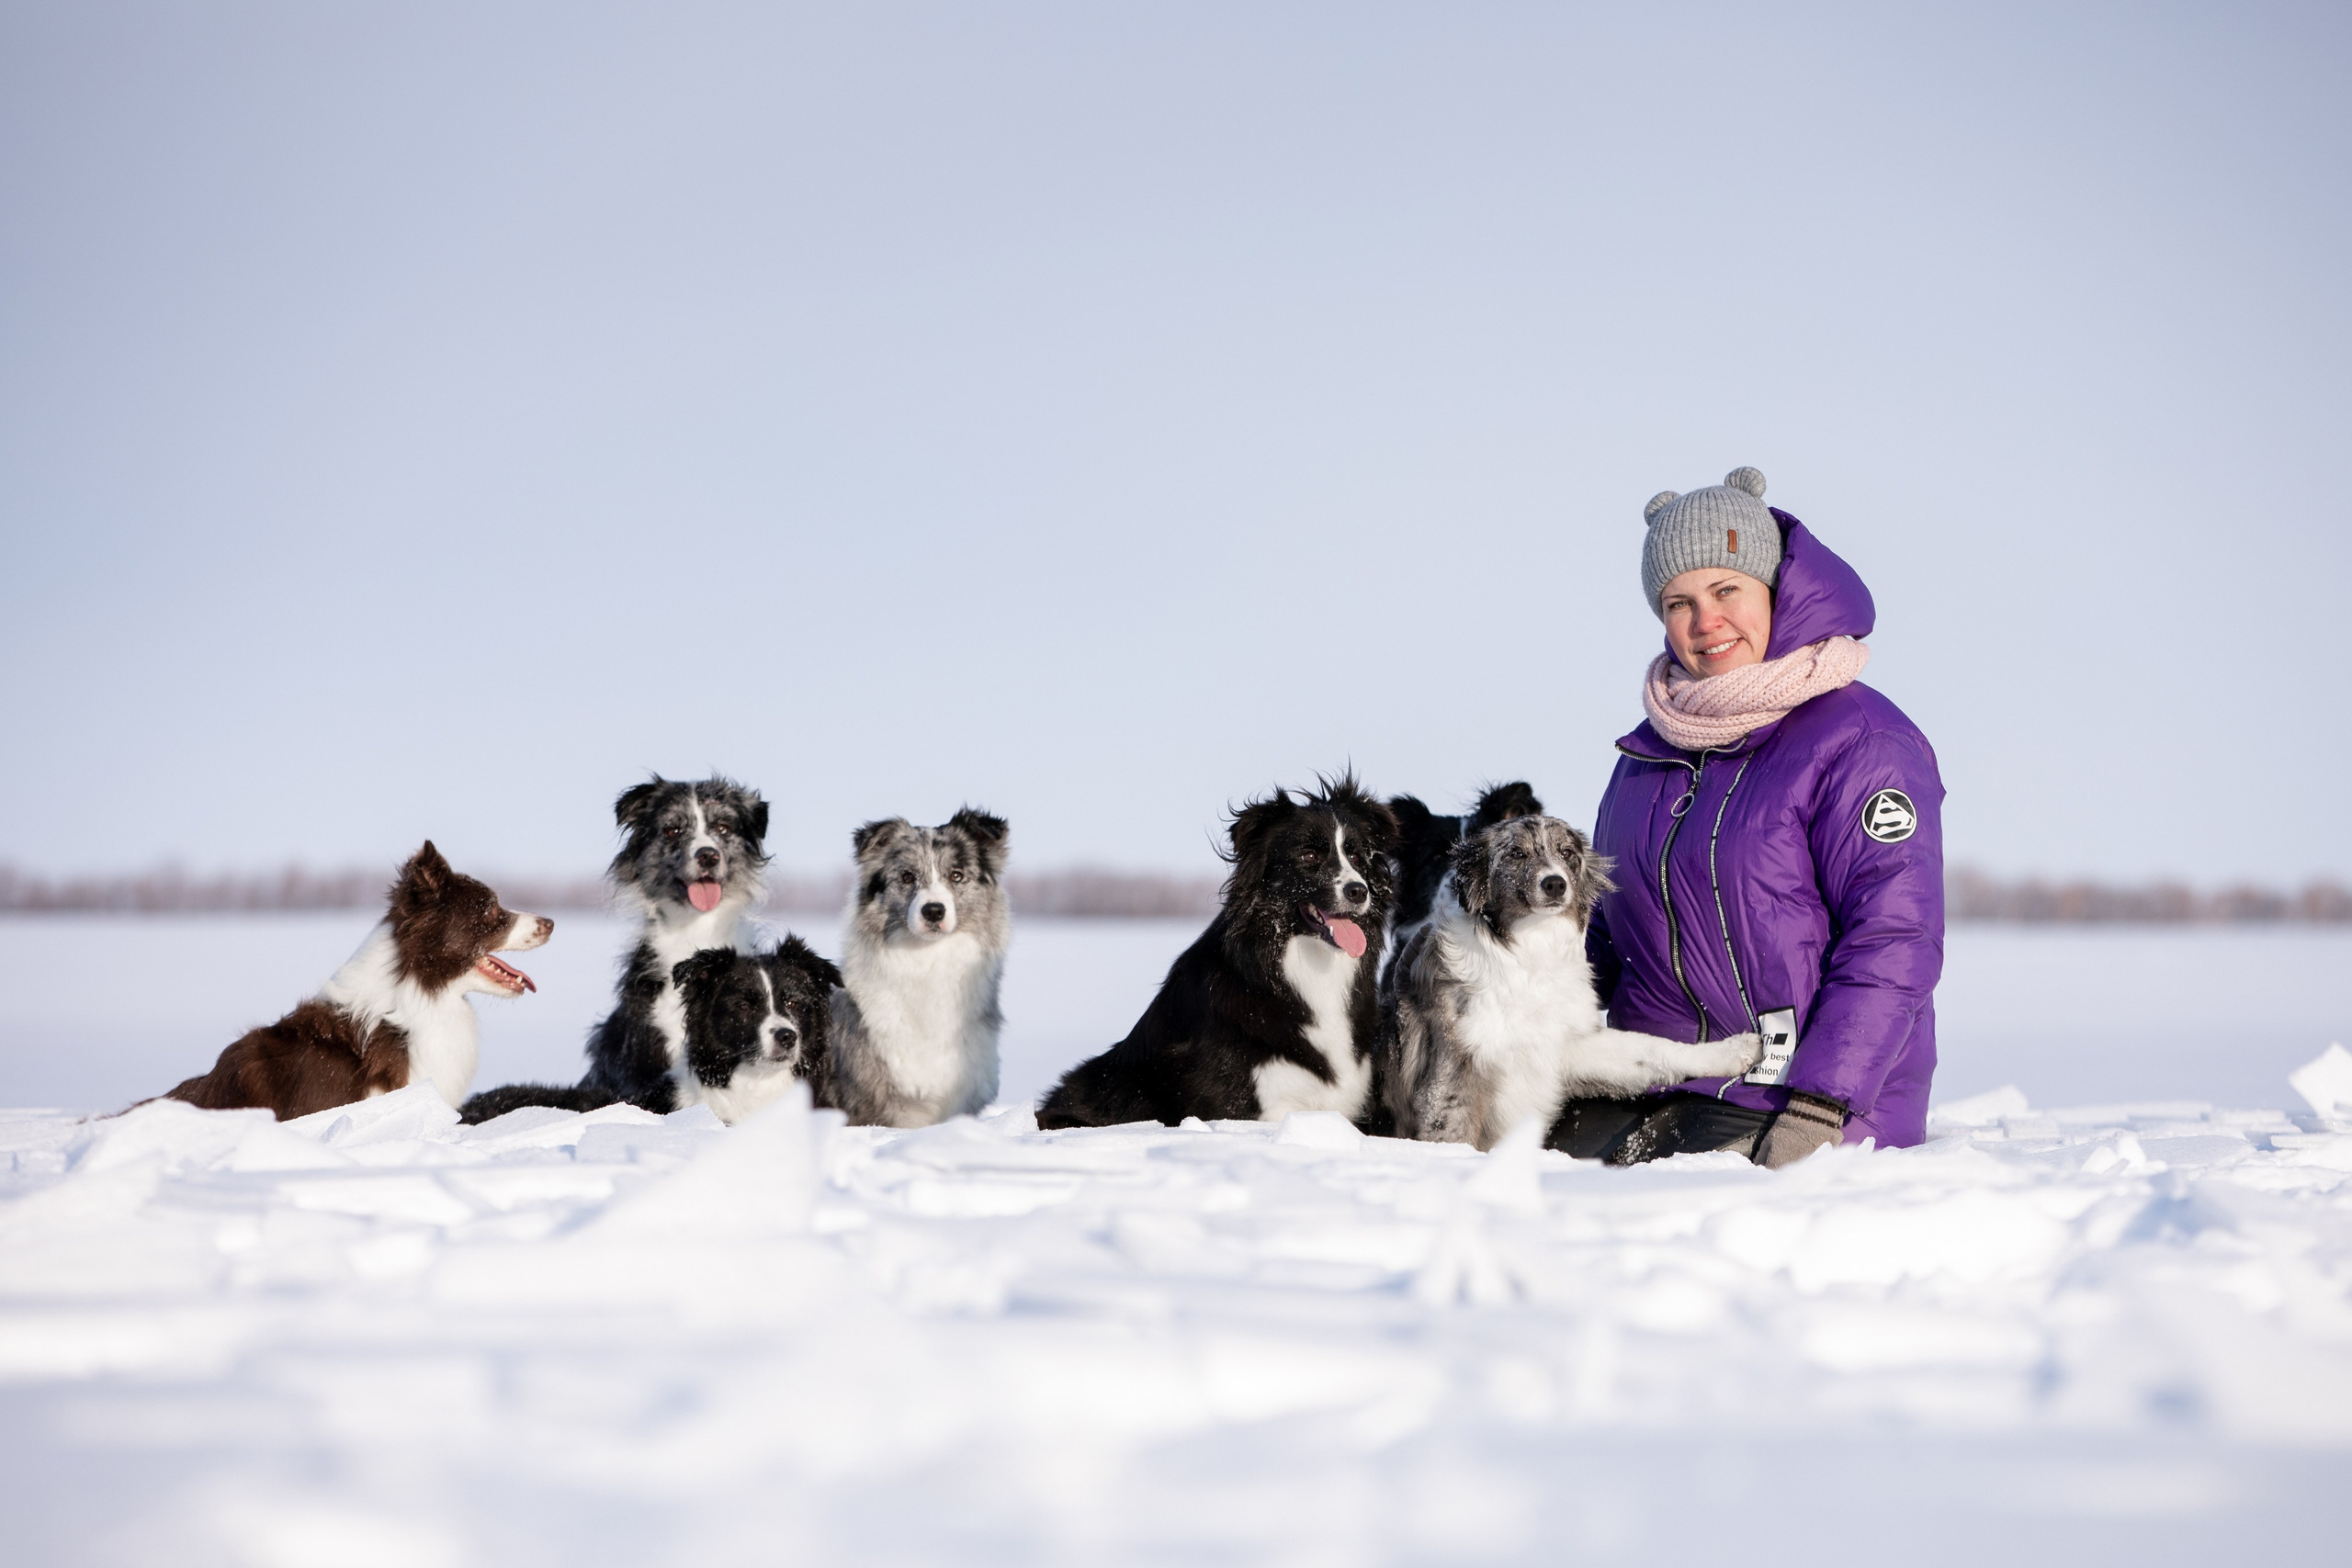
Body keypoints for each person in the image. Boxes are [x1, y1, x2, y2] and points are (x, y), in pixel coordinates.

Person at [1550, 468, 1943, 1167]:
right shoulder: (1648, 753)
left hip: (1803, 1102)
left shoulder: (1862, 739)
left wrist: (1819, 1109)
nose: (1706, 622)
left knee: (1634, 1213)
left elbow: (1894, 937)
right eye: (1680, 602)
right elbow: (1607, 932)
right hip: (1660, 1086)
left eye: (1727, 590)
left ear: (1774, 589)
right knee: (1488, 1161)